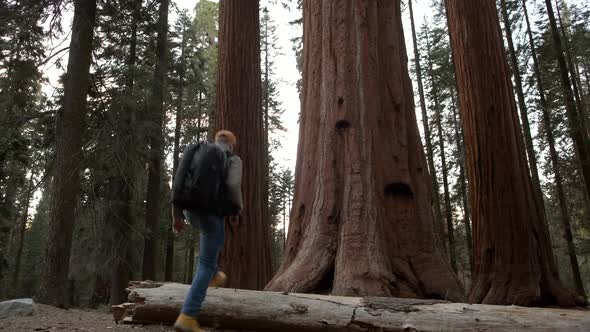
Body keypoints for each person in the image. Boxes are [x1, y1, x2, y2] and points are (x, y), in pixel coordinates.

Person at [172, 130, 243, 332]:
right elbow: (232, 184)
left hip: (191, 211)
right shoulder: (233, 159)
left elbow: (179, 179)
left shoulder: (197, 150)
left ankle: (214, 275)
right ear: (232, 144)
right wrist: (237, 209)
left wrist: (176, 215)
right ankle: (188, 315)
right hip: (212, 214)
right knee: (205, 263)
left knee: (208, 258)